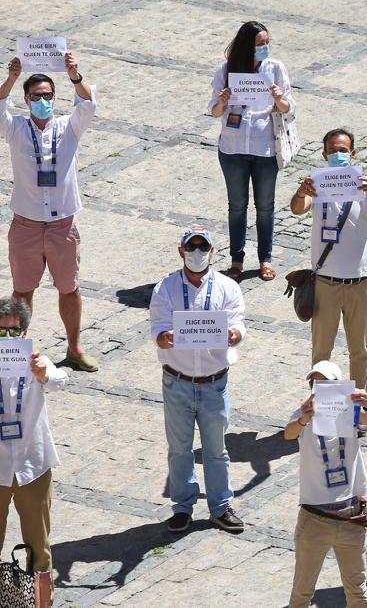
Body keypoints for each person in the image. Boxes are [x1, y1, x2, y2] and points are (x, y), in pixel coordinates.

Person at [1, 53, 99, 373]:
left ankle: (74, 348)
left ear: (54, 98)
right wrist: (13, 78)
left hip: (62, 225)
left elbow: (87, 103)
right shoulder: (16, 128)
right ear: (27, 100)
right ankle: (17, 349)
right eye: (36, 97)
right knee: (22, 291)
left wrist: (74, 75)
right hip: (26, 224)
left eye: (47, 96)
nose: (42, 101)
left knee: (69, 288)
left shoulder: (67, 127)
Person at [149, 226, 247, 533]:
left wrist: (235, 335)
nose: (196, 253)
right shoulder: (165, 288)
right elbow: (158, 332)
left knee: (216, 449)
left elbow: (238, 324)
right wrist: (166, 338)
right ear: (181, 252)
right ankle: (182, 507)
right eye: (191, 248)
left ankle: (221, 506)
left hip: (214, 382)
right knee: (179, 448)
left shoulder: (227, 287)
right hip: (177, 381)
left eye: (202, 247)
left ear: (212, 252)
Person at [291, 129, 367, 390]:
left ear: (353, 153)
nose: (338, 154)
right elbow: (297, 208)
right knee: (321, 352)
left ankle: (359, 409)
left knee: (360, 351)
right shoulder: (318, 184)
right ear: (325, 154)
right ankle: (320, 409)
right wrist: (301, 192)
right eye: (333, 150)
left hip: (360, 283)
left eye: (343, 150)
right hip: (326, 283)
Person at [285, 360, 367, 608]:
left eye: (326, 382)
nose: (319, 387)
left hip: (350, 518)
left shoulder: (350, 412)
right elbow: (289, 433)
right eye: (315, 382)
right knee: (301, 594)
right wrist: (304, 419)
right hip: (315, 519)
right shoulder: (305, 413)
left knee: (358, 593)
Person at [209, 21, 295, 282]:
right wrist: (222, 102)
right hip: (233, 148)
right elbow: (213, 111)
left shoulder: (276, 68)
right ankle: (236, 259)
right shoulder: (225, 71)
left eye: (267, 43)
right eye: (259, 44)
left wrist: (279, 98)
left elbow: (288, 108)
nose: (264, 48)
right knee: (237, 206)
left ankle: (265, 259)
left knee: (265, 207)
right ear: (247, 46)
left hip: (265, 148)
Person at [0, 296, 68, 606]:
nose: (7, 339)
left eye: (14, 333)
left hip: (32, 466)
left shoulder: (36, 362)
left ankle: (41, 604)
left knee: (39, 548)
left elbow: (60, 381)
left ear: (24, 334)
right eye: (0, 333)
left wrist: (44, 373)